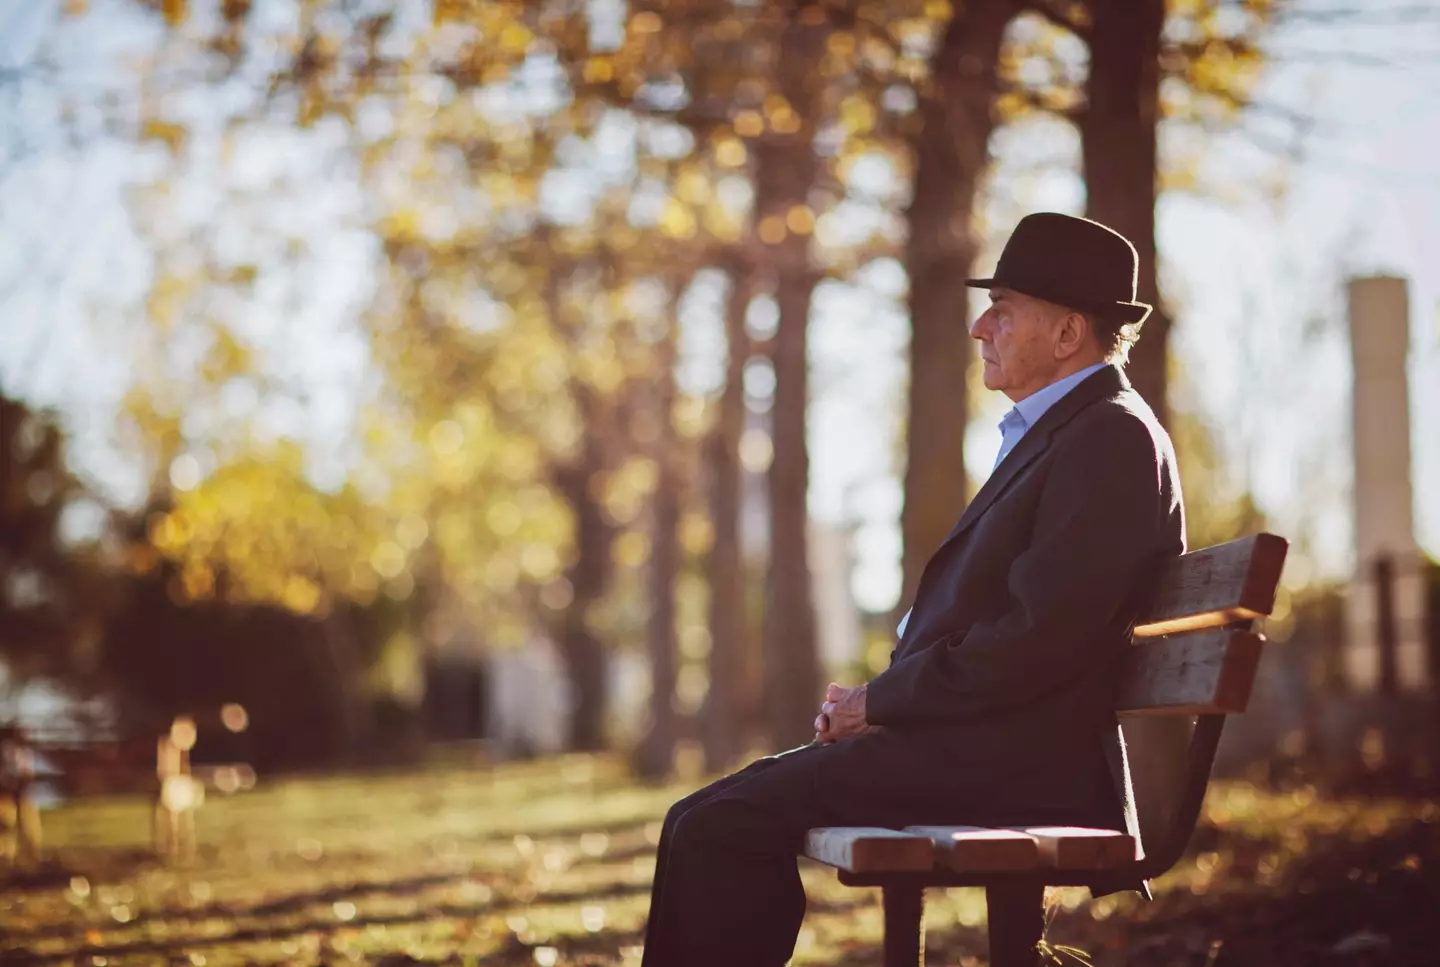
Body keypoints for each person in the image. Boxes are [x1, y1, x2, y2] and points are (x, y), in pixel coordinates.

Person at [640, 212, 1186, 967]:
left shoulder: (1110, 439)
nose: (980, 327)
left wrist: (886, 701)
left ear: (1067, 334)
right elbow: (1015, 629)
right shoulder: (1073, 431)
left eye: (1005, 310)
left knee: (717, 825)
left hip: (1021, 762)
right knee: (695, 816)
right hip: (984, 743)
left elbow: (1039, 639)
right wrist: (882, 704)